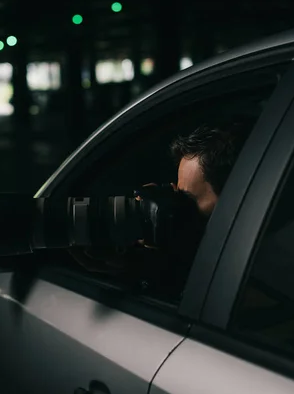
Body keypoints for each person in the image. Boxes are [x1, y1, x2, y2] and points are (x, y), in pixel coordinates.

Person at [69, 123, 248, 295]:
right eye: (177, 194)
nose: (177, 207)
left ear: (236, 199)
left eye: (187, 198)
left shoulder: (245, 273)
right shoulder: (231, 258)